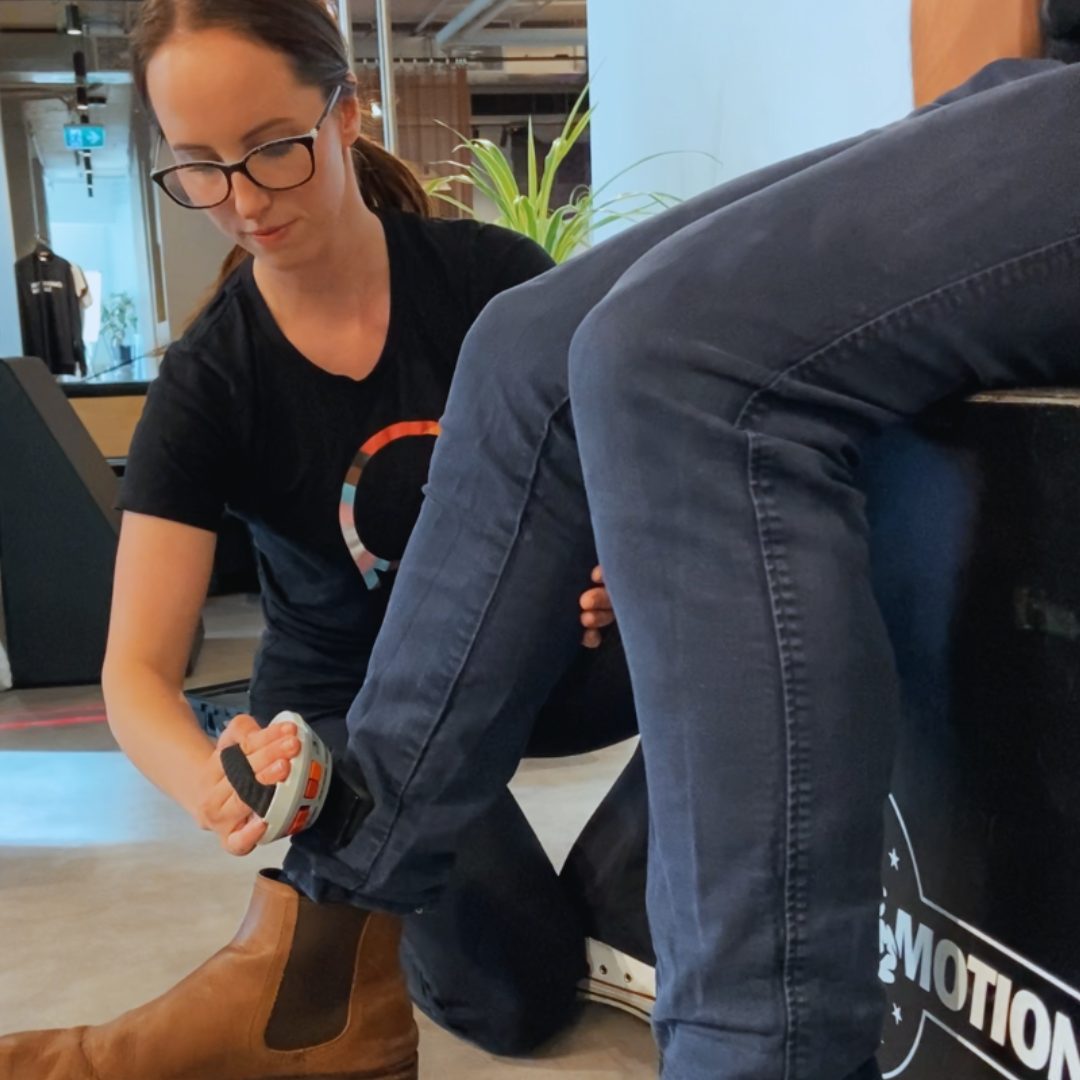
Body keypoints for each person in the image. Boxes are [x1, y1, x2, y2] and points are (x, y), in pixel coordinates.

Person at [0, 1, 644, 1078]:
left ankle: (635, 894)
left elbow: (647, 462)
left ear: (345, 116)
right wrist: (215, 773)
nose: (243, 202)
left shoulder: (494, 280)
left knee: (759, 616)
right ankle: (349, 963)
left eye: (273, 152)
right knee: (516, 993)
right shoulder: (209, 384)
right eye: (199, 167)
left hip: (546, 659)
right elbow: (135, 674)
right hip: (362, 725)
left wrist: (626, 562)